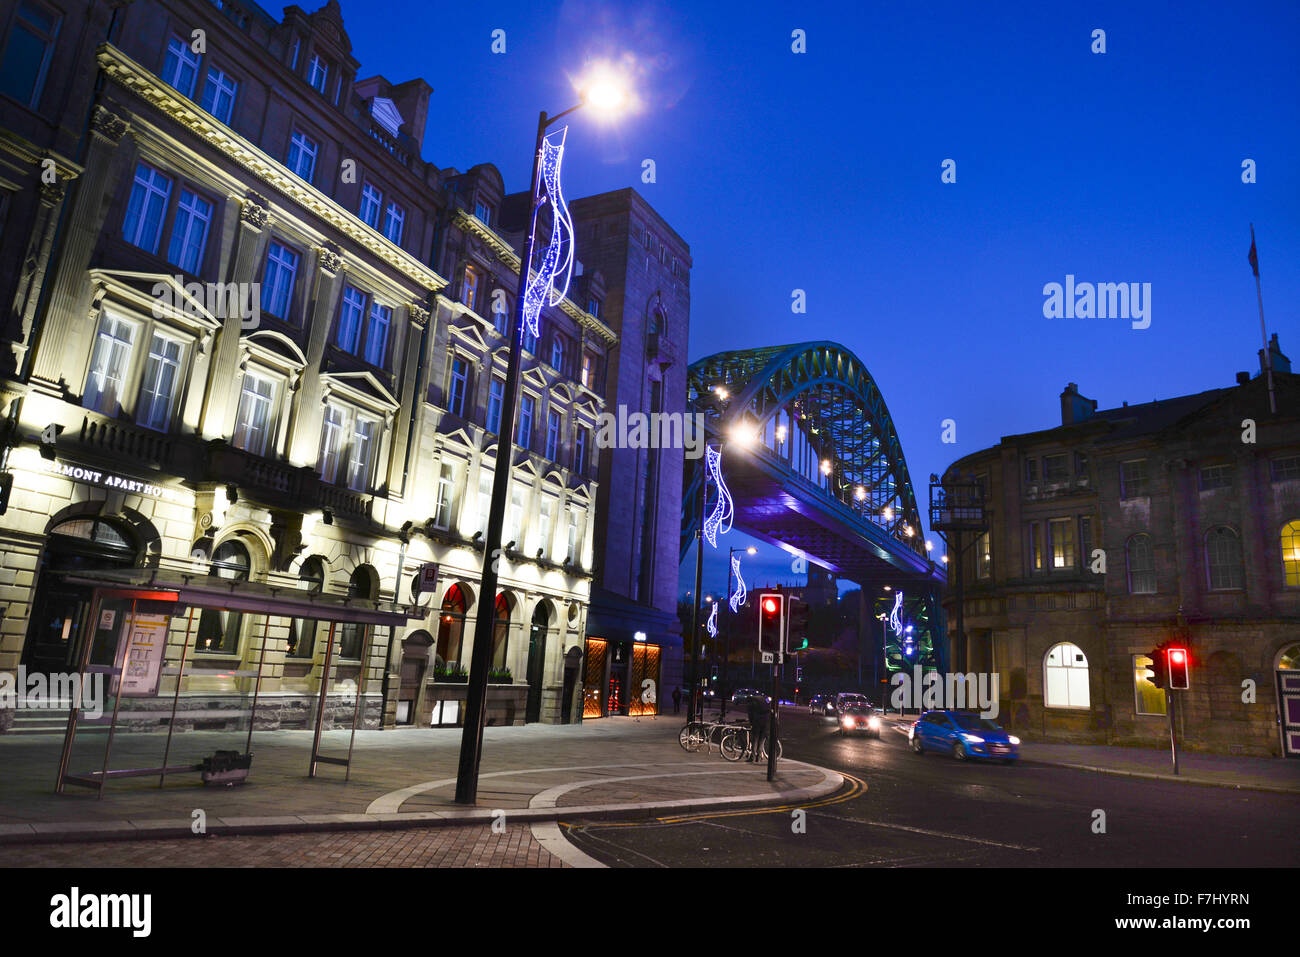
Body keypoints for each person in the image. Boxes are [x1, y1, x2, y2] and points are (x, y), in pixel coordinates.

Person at [746, 694, 770, 762]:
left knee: (755, 740)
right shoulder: (763, 699)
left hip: (757, 722)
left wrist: (751, 723)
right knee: (761, 740)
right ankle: (759, 757)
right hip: (765, 721)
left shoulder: (751, 703)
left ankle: (753, 757)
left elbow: (750, 715)